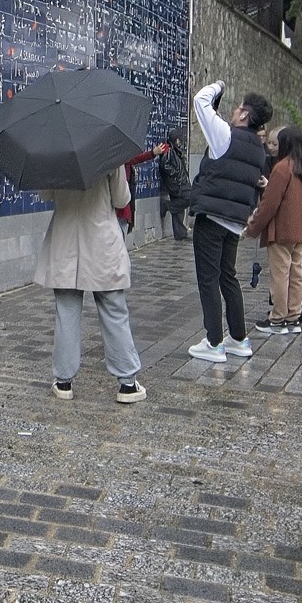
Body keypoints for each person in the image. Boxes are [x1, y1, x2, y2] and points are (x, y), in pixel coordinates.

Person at [30, 162, 145, 402]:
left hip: (65, 239)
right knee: (114, 311)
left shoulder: (56, 152)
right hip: (102, 241)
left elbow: (45, 194)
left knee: (66, 312)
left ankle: (63, 381)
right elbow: (122, 200)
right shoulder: (109, 151)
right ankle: (127, 384)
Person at [185, 83, 270, 363]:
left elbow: (200, 101)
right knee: (227, 277)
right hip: (234, 222)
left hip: (211, 218)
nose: (233, 112)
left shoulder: (225, 136)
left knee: (208, 280)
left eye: (237, 108)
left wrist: (218, 85)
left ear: (244, 114)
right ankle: (238, 338)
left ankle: (213, 342)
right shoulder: (259, 150)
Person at [247, 125, 302, 334]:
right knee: (296, 274)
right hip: (300, 228)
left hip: (281, 229)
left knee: (280, 274)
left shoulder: (282, 167)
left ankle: (277, 318)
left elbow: (270, 203)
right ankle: (293, 317)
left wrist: (253, 227)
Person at [154, 132, 193, 241]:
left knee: (178, 210)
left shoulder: (175, 151)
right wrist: (175, 173)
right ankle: (167, 205)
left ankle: (180, 233)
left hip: (180, 182)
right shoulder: (169, 151)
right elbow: (164, 165)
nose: (179, 142)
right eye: (178, 140)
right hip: (177, 183)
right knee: (188, 199)